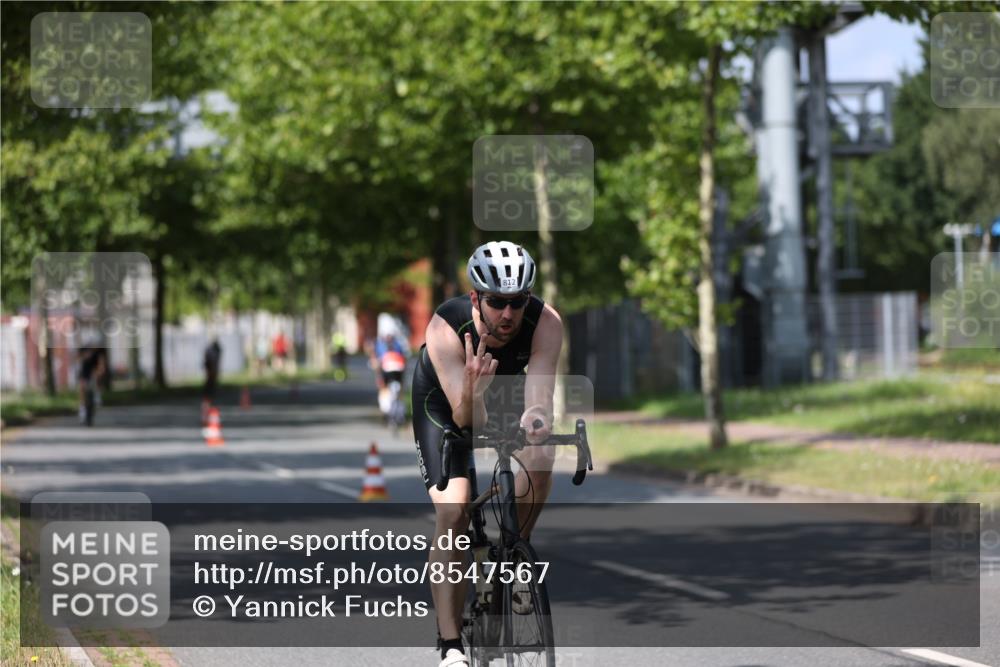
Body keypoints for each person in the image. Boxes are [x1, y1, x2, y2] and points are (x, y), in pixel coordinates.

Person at [410, 241, 562, 666]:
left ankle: (517, 556)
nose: (509, 314)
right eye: (497, 302)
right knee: (454, 511)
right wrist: (473, 390)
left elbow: (538, 398)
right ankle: (450, 643)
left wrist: (536, 423)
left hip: (506, 394)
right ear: (476, 297)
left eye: (518, 302)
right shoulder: (444, 328)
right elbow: (464, 416)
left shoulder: (546, 322)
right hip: (447, 403)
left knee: (541, 453)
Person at [371, 315, 410, 416]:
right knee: (383, 386)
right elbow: (375, 358)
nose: (389, 338)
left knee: (399, 388)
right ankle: (386, 410)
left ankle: (400, 411)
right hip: (385, 368)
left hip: (396, 368)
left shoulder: (398, 342)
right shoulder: (379, 343)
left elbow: (404, 356)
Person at [77, 341, 107, 424]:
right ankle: (82, 411)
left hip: (94, 372)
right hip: (84, 373)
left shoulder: (99, 352)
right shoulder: (83, 349)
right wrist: (84, 357)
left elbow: (102, 365)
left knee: (96, 377)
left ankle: (97, 394)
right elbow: (78, 359)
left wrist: (100, 371)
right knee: (82, 390)